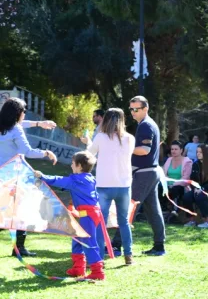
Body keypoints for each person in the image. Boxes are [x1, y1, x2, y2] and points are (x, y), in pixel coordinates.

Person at [0, 97, 58, 256]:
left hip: (1, 175)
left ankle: (18, 248)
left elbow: (18, 124)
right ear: (17, 113)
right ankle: (19, 248)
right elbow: (27, 151)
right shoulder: (16, 129)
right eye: (23, 111)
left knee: (3, 209)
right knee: (20, 210)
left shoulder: (5, 125)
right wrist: (46, 153)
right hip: (14, 176)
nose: (25, 113)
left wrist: (39, 123)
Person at [34, 151, 106, 280]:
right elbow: (68, 185)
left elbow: (59, 180)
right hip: (89, 213)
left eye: (73, 163)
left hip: (87, 214)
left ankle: (97, 271)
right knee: (77, 238)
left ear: (79, 166)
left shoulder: (76, 179)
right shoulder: (88, 178)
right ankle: (78, 268)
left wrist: (42, 176)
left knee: (88, 241)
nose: (71, 166)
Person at [112, 96, 166, 256]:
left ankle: (115, 246)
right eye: (131, 109)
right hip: (151, 172)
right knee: (153, 210)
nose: (133, 112)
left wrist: (124, 147)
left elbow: (144, 150)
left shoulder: (146, 126)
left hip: (144, 174)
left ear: (145, 109)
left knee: (128, 208)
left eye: (136, 109)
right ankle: (159, 246)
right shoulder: (147, 124)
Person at [82, 108, 135, 265]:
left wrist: (87, 143)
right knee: (124, 221)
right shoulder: (130, 138)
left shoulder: (100, 137)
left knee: (100, 222)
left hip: (104, 185)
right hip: (124, 185)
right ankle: (128, 256)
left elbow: (89, 155)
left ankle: (99, 257)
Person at [183, 144, 208, 228]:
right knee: (186, 197)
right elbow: (192, 179)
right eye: (197, 152)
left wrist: (202, 188)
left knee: (200, 196)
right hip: (197, 189)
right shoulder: (196, 164)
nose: (198, 154)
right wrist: (196, 188)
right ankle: (191, 220)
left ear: (206, 153)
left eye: (200, 152)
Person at [162, 140, 192, 221]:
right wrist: (167, 183)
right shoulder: (169, 160)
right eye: (172, 149)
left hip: (181, 186)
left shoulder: (187, 161)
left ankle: (174, 211)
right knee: (159, 188)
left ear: (181, 150)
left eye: (176, 149)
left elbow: (185, 178)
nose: (173, 151)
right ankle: (163, 210)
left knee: (175, 189)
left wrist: (174, 184)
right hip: (168, 185)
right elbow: (164, 174)